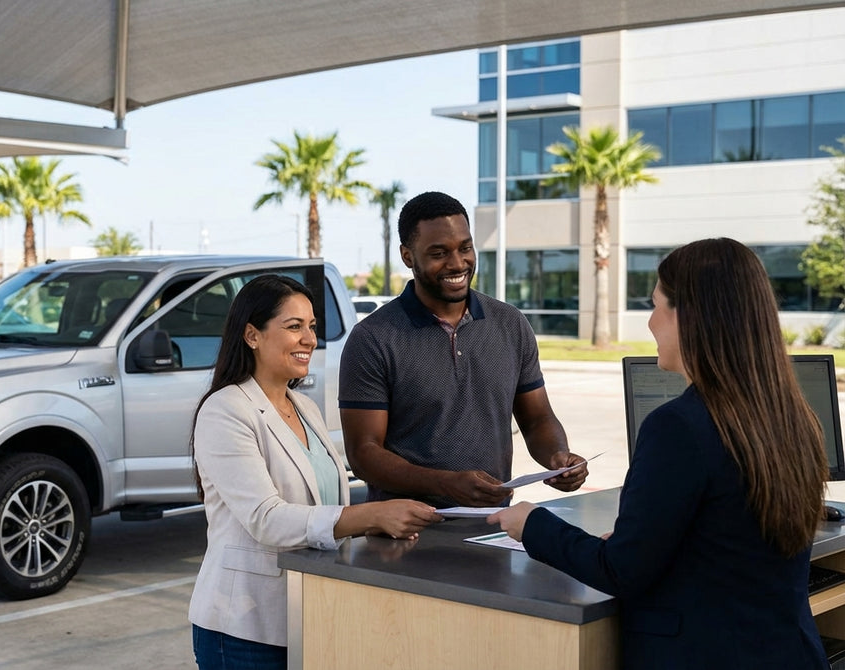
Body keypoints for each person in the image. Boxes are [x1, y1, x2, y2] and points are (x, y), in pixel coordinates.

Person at [489, 238, 830, 669]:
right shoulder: (794, 415)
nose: (650, 323)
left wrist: (532, 523)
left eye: (656, 306)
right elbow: (735, 542)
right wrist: (647, 541)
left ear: (689, 316)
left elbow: (621, 571)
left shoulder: (679, 426)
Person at [188, 274, 439, 669]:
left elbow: (322, 506)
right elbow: (266, 519)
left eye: (312, 327)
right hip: (243, 627)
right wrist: (368, 514)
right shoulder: (225, 411)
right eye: (293, 327)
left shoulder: (306, 408)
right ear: (252, 335)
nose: (309, 339)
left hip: (310, 612)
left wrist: (370, 525)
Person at [339, 190, 586, 509]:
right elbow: (363, 454)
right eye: (439, 253)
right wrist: (446, 483)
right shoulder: (372, 338)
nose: (457, 263)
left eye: (465, 248)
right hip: (406, 533)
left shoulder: (509, 323)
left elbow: (537, 419)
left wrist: (557, 457)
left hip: (494, 524)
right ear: (407, 256)